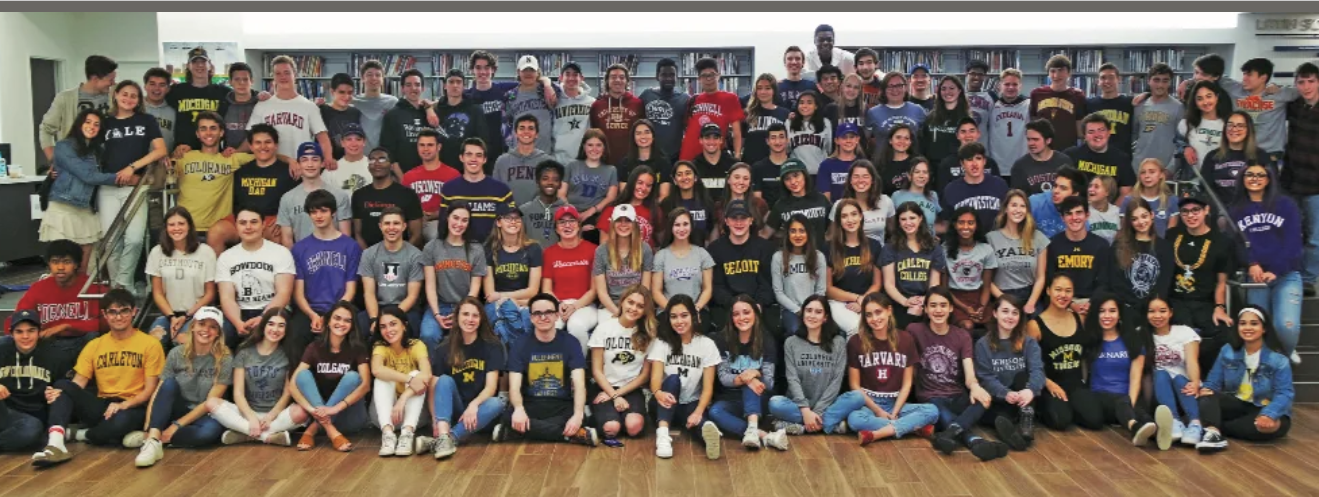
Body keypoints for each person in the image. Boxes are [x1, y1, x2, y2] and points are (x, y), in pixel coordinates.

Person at [33, 290, 164, 466]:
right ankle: (55, 445)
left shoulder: (150, 344)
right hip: (102, 406)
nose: (118, 317)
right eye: (113, 312)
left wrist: (124, 405)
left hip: (133, 406)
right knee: (62, 385)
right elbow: (78, 383)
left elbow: (150, 389)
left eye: (124, 311)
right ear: (104, 314)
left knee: (121, 422)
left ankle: (81, 435)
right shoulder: (95, 345)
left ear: (134, 311)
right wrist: (59, 392)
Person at [131, 307, 231, 467]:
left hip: (203, 413)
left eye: (213, 327)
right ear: (193, 326)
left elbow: (210, 402)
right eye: (202, 324)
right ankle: (153, 440)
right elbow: (160, 392)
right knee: (169, 383)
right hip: (177, 408)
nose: (206, 330)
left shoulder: (225, 358)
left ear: (218, 333)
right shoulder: (176, 353)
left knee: (208, 433)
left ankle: (161, 439)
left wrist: (175, 426)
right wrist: (148, 427)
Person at [916, 287, 1008, 461]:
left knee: (982, 398)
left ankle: (949, 434)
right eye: (933, 305)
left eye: (943, 305)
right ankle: (974, 440)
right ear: (925, 309)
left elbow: (969, 371)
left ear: (951, 308)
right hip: (931, 397)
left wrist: (975, 387)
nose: (938, 310)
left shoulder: (961, 335)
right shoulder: (915, 331)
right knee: (938, 410)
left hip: (957, 395)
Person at [837, 293, 940, 446]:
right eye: (869, 315)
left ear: (889, 310)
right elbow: (854, 385)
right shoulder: (856, 341)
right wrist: (878, 411)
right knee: (855, 419)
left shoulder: (905, 339)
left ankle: (879, 433)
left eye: (878, 312)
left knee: (932, 411)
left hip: (895, 403)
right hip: (868, 404)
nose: (874, 318)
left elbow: (907, 383)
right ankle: (913, 428)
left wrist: (895, 411)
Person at [498, 293, 598, 447]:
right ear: (531, 318)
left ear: (557, 315)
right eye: (537, 313)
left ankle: (517, 431)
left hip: (561, 405)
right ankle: (571, 435)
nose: (543, 317)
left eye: (548, 312)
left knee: (580, 415)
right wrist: (518, 408)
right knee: (509, 415)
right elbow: (514, 386)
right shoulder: (520, 344)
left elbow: (579, 384)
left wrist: (578, 415)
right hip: (530, 404)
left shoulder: (570, 342)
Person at [41, 110, 136, 265]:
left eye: (96, 124)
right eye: (88, 122)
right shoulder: (64, 146)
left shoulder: (98, 150)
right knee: (62, 262)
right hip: (63, 206)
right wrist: (121, 178)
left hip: (86, 209)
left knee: (84, 266)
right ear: (79, 124)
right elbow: (88, 176)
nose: (92, 127)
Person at [1195, 305, 1294, 451]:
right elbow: (1212, 382)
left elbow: (1284, 393)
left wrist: (1269, 415)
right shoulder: (1227, 351)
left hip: (1264, 407)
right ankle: (1213, 435)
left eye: (1254, 324)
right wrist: (1206, 390)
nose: (1247, 328)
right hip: (1237, 404)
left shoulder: (1278, 360)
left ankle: (1209, 427)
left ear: (1264, 328)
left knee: (1266, 428)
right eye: (1243, 323)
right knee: (1206, 397)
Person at [206, 309, 308, 447]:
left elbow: (287, 393)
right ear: (263, 325)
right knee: (211, 403)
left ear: (286, 330)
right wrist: (251, 418)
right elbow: (238, 393)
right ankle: (267, 437)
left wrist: (271, 416)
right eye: (271, 324)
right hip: (247, 413)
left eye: (281, 325)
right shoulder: (244, 352)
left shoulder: (289, 354)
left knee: (301, 412)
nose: (275, 329)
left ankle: (245, 434)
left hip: (276, 415)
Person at [100, 80, 167, 292]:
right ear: (115, 95)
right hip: (108, 188)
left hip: (136, 186)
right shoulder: (105, 122)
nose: (128, 99)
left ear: (139, 100)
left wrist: (132, 168)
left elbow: (160, 150)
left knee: (136, 238)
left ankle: (124, 284)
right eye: (125, 94)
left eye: (134, 96)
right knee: (111, 242)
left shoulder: (146, 120)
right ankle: (118, 291)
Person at [1232, 163, 1303, 360]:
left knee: (1286, 326)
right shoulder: (1236, 210)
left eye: (1260, 175)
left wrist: (1277, 270)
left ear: (1269, 179)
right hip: (1255, 278)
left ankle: (1284, 353)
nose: (1254, 178)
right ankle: (1268, 361)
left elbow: (1294, 243)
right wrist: (1251, 263)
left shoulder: (1286, 205)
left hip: (1286, 275)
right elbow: (1235, 243)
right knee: (1258, 326)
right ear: (1242, 179)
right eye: (1249, 174)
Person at [423, 300, 506, 459]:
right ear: (457, 317)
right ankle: (444, 435)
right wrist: (435, 421)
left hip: (479, 410)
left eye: (475, 315)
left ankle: (447, 438)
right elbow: (434, 386)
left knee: (497, 403)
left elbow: (491, 387)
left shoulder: (492, 345)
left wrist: (474, 405)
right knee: (444, 380)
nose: (470, 319)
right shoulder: (444, 348)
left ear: (481, 319)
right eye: (465, 314)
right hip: (454, 410)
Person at [1083, 294, 1169, 448]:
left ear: (1120, 314)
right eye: (1102, 311)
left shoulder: (1132, 340)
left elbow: (1136, 378)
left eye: (1112, 311)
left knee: (1133, 407)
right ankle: (1136, 427)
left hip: (1128, 395)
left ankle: (1155, 431)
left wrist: (1131, 402)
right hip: (1100, 397)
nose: (1107, 316)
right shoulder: (1090, 339)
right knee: (1122, 402)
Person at [5, 240, 105, 370]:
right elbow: (15, 320)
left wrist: (67, 325)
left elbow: (106, 323)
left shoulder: (92, 287)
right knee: (7, 341)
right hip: (49, 344)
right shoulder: (39, 288)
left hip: (82, 343)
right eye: (55, 262)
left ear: (76, 264)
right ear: (49, 264)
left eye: (67, 262)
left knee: (94, 337)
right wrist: (31, 334)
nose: (60, 267)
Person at [709, 295, 789, 451]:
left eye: (746, 312)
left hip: (759, 400)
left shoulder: (766, 340)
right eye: (736, 314)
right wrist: (746, 377)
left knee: (751, 384)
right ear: (731, 317)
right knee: (715, 412)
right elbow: (724, 378)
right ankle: (763, 435)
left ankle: (752, 428)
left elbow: (769, 382)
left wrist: (754, 373)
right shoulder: (721, 339)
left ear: (755, 314)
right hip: (731, 399)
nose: (741, 318)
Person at [649, 295, 724, 459]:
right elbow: (655, 380)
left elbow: (708, 388)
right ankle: (663, 436)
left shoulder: (706, 344)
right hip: (662, 402)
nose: (679, 321)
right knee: (673, 379)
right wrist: (658, 393)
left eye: (684, 315)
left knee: (697, 421)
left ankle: (709, 435)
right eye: (673, 317)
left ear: (694, 316)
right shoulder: (662, 343)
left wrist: (698, 412)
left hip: (690, 403)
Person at [290, 302, 372, 451]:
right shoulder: (314, 347)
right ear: (327, 321)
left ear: (352, 325)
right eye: (337, 318)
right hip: (319, 413)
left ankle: (311, 431)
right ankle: (331, 431)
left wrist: (334, 409)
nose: (341, 323)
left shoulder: (358, 348)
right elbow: (293, 384)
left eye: (347, 320)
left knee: (353, 377)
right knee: (302, 375)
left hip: (348, 416)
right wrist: (312, 410)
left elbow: (366, 385)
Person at [289, 190, 363, 353]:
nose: (318, 216)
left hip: (341, 307)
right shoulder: (299, 248)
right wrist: (313, 315)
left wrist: (331, 316)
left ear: (333, 212)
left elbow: (351, 290)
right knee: (295, 334)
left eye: (323, 211)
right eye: (314, 212)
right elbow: (298, 294)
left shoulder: (350, 246)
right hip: (310, 310)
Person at [215, 207, 297, 352]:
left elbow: (283, 293)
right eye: (243, 223)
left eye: (254, 222)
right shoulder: (226, 257)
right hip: (240, 311)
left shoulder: (280, 253)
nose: (248, 227)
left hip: (273, 309)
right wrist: (238, 323)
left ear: (263, 224)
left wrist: (263, 318)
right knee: (221, 335)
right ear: (236, 226)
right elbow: (227, 298)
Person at [1166, 193, 1234, 367]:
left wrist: (1219, 307)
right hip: (1175, 301)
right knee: (1184, 332)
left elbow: (1221, 282)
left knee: (1225, 334)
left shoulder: (1221, 241)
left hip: (1204, 302)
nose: (1190, 215)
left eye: (1196, 210)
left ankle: (1208, 376)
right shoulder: (1172, 236)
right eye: (1185, 211)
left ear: (1206, 210)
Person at [206, 123, 294, 255]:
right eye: (258, 143)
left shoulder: (289, 171)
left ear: (276, 145)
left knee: (279, 235)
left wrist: (282, 219)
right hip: (242, 219)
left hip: (270, 220)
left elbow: (295, 202)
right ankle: (222, 268)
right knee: (215, 232)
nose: (263, 147)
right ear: (251, 146)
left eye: (268, 142)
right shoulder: (241, 170)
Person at [768, 295, 849, 436]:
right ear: (803, 313)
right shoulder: (791, 342)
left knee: (857, 397)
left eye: (818, 312)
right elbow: (792, 379)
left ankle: (801, 425)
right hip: (798, 405)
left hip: (827, 405)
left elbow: (836, 381)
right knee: (775, 403)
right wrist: (805, 410)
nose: (812, 315)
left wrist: (817, 412)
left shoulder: (838, 342)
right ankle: (828, 424)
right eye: (809, 310)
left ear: (825, 317)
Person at [586, 285, 655, 446]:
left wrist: (618, 395)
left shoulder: (648, 334)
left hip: (630, 388)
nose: (634, 308)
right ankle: (598, 416)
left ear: (645, 311)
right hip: (604, 387)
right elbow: (596, 370)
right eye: (630, 302)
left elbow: (644, 375)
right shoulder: (604, 328)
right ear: (622, 302)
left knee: (634, 427)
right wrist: (613, 395)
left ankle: (620, 416)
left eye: (640, 306)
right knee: (611, 428)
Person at [973, 296, 1043, 450]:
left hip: (1023, 397)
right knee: (994, 415)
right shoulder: (983, 344)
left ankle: (1025, 423)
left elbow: (1037, 371)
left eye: (1015, 312)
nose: (1010, 317)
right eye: (1005, 311)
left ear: (1020, 316)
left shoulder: (1029, 342)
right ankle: (1014, 435)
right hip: (999, 397)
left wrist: (1031, 390)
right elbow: (985, 377)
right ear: (995, 313)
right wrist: (1005, 393)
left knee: (1023, 377)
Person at [1027, 275, 1095, 431]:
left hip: (1075, 384)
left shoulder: (1080, 319)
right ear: (1048, 291)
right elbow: (1028, 362)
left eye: (1068, 291)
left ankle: (1072, 406)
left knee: (1094, 419)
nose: (1063, 295)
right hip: (1049, 384)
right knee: (1061, 421)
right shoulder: (1034, 325)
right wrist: (1047, 383)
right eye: (1058, 290)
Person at [145, 207, 218, 349]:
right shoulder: (157, 252)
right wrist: (171, 317)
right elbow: (157, 293)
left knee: (182, 342)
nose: (176, 228)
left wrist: (187, 315)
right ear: (166, 228)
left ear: (189, 226)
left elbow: (210, 293)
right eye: (171, 225)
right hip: (168, 315)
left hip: (197, 315)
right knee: (153, 343)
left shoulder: (205, 252)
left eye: (181, 224)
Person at [174, 112, 255, 238]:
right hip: (185, 228)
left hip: (219, 231)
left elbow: (266, 156)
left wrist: (289, 160)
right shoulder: (184, 157)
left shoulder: (231, 158)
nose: (208, 133)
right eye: (203, 129)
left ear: (221, 132)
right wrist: (173, 154)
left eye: (213, 128)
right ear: (197, 134)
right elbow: (163, 175)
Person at [421, 201, 487, 349]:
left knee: (468, 337)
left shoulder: (476, 249)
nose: (459, 224)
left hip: (467, 305)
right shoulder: (432, 247)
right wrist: (437, 314)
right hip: (439, 305)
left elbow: (474, 289)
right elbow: (430, 286)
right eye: (455, 218)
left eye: (464, 220)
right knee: (428, 335)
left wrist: (461, 311)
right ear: (447, 218)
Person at [368, 303, 431, 457]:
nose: (388, 330)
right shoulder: (380, 346)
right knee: (382, 378)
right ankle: (388, 436)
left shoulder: (416, 345)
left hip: (413, 414)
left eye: (393, 324)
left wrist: (403, 398)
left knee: (418, 374)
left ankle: (406, 435)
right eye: (383, 327)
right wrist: (409, 379)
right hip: (385, 416)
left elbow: (426, 375)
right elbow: (376, 370)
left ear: (404, 325)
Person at [0, 311, 67, 454]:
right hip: (5, 411)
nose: (25, 336)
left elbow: (66, 384)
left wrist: (58, 391)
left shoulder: (55, 354)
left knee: (32, 429)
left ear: (39, 332)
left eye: (31, 331)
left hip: (34, 417)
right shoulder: (2, 347)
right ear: (11, 334)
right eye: (19, 332)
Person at [247, 56, 332, 167]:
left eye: (287, 72)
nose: (283, 77)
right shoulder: (262, 106)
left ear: (295, 74)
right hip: (270, 167)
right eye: (278, 73)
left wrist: (328, 159)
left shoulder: (309, 107)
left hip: (301, 167)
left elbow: (323, 138)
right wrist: (236, 152)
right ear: (273, 77)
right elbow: (251, 138)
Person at [709, 200, 777, 332]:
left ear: (751, 220)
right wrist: (734, 305)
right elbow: (717, 286)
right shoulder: (714, 249)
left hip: (758, 306)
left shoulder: (765, 248)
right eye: (734, 218)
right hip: (727, 307)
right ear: (726, 221)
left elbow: (767, 284)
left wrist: (758, 304)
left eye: (743, 218)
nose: (739, 223)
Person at [1145, 296, 1204, 448]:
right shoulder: (1143, 334)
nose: (1157, 316)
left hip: (1183, 385)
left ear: (1170, 312)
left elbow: (1192, 361)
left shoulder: (1184, 332)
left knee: (1178, 378)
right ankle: (1173, 422)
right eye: (1151, 311)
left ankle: (1195, 424)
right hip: (1160, 389)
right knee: (1161, 374)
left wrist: (1195, 382)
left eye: (1162, 311)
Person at [358, 207, 426, 335]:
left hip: (405, 308)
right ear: (380, 226)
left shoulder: (415, 255)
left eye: (396, 223)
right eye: (387, 223)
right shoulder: (368, 254)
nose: (391, 228)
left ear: (404, 226)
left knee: (411, 326)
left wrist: (390, 319)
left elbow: (412, 296)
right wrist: (374, 319)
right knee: (360, 326)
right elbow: (369, 293)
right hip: (378, 307)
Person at [39, 55, 117, 164]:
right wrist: (53, 159)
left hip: (108, 161)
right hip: (76, 163)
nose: (113, 83)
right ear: (95, 79)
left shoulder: (115, 97)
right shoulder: (65, 98)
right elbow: (46, 129)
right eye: (110, 80)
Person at [881, 202, 946, 330]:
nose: (908, 223)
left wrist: (925, 299)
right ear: (898, 222)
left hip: (926, 299)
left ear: (920, 218)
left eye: (912, 218)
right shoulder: (890, 248)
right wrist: (905, 301)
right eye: (903, 219)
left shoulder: (934, 247)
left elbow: (934, 283)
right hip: (898, 300)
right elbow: (889, 284)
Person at [483, 203, 541, 345]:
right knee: (504, 319)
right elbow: (490, 295)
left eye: (517, 218)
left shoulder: (533, 248)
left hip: (525, 302)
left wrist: (505, 298)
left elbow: (533, 291)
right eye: (508, 218)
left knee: (518, 318)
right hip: (497, 305)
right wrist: (507, 302)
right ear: (498, 222)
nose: (513, 222)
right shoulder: (489, 250)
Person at [1284, 63, 1319, 297]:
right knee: (1290, 232)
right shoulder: (1294, 106)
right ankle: (1291, 274)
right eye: (1301, 82)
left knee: (1315, 237)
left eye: (1311, 81)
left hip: (1316, 184)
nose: (1306, 87)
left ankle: (1308, 278)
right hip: (1292, 180)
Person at [277, 142, 352, 247]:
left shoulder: (339, 195)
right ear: (298, 164)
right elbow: (287, 239)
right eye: (304, 160)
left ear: (322, 163)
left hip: (334, 254)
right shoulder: (287, 198)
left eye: (315, 159)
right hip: (301, 255)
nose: (310, 164)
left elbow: (345, 237)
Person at [440, 138, 516, 242]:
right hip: (459, 248)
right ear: (461, 157)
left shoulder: (502, 191)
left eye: (479, 155)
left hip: (493, 248)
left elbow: (511, 225)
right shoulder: (449, 189)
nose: (473, 159)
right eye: (469, 154)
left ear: (485, 159)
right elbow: (443, 226)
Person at [1045, 196, 1111, 315]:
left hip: (1093, 301)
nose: (1074, 218)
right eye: (1069, 214)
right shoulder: (1052, 245)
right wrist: (1070, 304)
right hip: (1061, 301)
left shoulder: (1101, 245)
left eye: (1079, 213)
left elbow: (1104, 282)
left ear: (1087, 215)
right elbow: (1049, 281)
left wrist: (1092, 303)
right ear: (1062, 218)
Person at [1107, 197, 1174, 313]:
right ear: (1129, 222)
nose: (1141, 222)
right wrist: (1133, 304)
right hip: (1126, 308)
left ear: (1152, 215)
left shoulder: (1165, 247)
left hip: (1154, 310)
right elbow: (1115, 281)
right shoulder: (1118, 246)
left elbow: (1164, 283)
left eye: (1144, 216)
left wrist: (1150, 305)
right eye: (1135, 219)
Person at [826, 200, 882, 334]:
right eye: (844, 216)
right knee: (856, 327)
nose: (850, 220)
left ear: (861, 216)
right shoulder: (829, 248)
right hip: (839, 302)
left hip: (868, 299)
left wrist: (863, 300)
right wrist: (856, 298)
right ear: (839, 220)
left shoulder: (874, 245)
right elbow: (828, 289)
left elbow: (877, 283)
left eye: (854, 214)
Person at [592, 205, 654, 326]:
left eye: (628, 221)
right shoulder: (601, 251)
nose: (623, 224)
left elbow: (645, 288)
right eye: (619, 220)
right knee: (610, 330)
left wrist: (633, 310)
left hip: (637, 305)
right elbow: (602, 292)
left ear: (634, 224)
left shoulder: (645, 249)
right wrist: (619, 313)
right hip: (610, 306)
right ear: (612, 224)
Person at [989, 190, 1049, 314]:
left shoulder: (1038, 237)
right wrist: (1004, 300)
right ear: (1006, 209)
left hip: (1030, 296)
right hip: (1002, 295)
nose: (1018, 210)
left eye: (1023, 206)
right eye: (1014, 205)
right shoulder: (991, 238)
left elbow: (1040, 277)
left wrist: (1031, 303)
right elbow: (986, 280)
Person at [353, 147, 425, 249]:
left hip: (401, 253)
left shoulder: (407, 194)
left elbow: (416, 235)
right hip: (368, 254)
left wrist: (401, 254)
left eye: (382, 159)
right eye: (372, 160)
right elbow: (358, 234)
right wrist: (367, 255)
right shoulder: (359, 195)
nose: (377, 163)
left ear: (391, 166)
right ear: (368, 166)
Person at [166, 48, 230, 155]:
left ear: (210, 65)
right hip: (182, 152)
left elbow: (245, 97)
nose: (199, 65)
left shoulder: (223, 92)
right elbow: (155, 99)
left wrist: (258, 95)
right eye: (195, 62)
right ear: (188, 66)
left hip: (213, 152)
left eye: (203, 62)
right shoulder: (176, 91)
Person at [680, 58, 745, 162]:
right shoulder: (693, 100)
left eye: (712, 75)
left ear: (718, 76)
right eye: (704, 76)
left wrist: (737, 155)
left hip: (713, 157)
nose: (708, 79)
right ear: (699, 79)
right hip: (688, 156)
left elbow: (737, 132)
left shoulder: (730, 98)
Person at [772, 215, 827, 338]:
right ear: (787, 234)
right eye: (793, 231)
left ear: (808, 233)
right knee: (797, 330)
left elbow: (821, 290)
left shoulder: (818, 257)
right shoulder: (778, 257)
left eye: (802, 231)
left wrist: (811, 310)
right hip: (790, 310)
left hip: (814, 308)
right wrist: (799, 311)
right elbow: (778, 293)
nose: (797, 235)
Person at [651, 208, 715, 313]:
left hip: (697, 311)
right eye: (677, 225)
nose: (681, 229)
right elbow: (656, 292)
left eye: (685, 224)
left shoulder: (702, 254)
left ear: (691, 226)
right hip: (668, 311)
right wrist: (673, 311)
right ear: (671, 227)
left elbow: (707, 289)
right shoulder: (661, 256)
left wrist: (696, 309)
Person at [403, 130, 462, 242]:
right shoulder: (408, 176)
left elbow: (458, 205)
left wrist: (437, 214)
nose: (425, 149)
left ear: (438, 147)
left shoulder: (453, 175)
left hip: (440, 221)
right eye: (422, 145)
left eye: (430, 145)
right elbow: (403, 205)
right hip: (413, 222)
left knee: (435, 232)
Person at [946, 206, 998, 331]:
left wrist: (982, 307)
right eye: (961, 222)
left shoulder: (986, 250)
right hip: (955, 299)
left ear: (976, 225)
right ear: (954, 225)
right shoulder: (945, 249)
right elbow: (944, 289)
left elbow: (987, 286)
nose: (966, 227)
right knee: (967, 325)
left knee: (995, 325)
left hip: (979, 297)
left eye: (970, 223)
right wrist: (965, 308)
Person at [565, 129, 620, 240]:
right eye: (590, 145)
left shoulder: (611, 170)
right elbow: (561, 193)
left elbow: (611, 197)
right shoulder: (571, 166)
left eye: (598, 145)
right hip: (569, 212)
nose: (594, 149)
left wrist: (591, 211)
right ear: (584, 147)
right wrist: (571, 211)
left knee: (590, 232)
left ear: (604, 148)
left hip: (594, 215)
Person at [1202, 111, 1267, 205]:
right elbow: (1206, 190)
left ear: (1249, 130)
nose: (1234, 129)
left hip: (1253, 210)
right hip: (1221, 210)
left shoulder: (1260, 156)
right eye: (1230, 125)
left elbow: (1271, 188)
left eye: (1240, 125)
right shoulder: (1212, 156)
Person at [1064, 113, 1135, 199]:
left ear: (1109, 133)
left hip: (1110, 206)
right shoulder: (1070, 155)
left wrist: (1111, 208)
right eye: (1091, 132)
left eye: (1101, 130)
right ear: (1085, 136)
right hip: (1077, 206)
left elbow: (1126, 193)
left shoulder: (1122, 159)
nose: (1097, 135)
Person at [941, 142, 1009, 231]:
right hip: (965, 238)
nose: (974, 164)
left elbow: (1008, 216)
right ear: (962, 163)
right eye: (969, 159)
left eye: (978, 158)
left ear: (984, 161)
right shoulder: (951, 190)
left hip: (996, 237)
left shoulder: (1000, 184)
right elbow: (946, 224)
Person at [764, 159, 831, 244]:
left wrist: (827, 242)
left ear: (805, 175)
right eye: (787, 179)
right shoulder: (780, 205)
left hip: (819, 250)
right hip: (792, 251)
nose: (793, 182)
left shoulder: (821, 199)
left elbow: (834, 226)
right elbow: (766, 234)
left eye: (796, 175)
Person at [432, 68, 489, 169]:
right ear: (445, 85)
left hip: (468, 166)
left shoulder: (475, 110)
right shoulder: (436, 110)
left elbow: (482, 140)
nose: (455, 85)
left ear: (464, 86)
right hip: (442, 165)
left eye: (458, 82)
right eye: (451, 82)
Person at [1131, 63, 1184, 170]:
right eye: (1156, 80)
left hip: (1164, 168)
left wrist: (1171, 169)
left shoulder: (1178, 108)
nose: (1160, 85)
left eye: (1165, 81)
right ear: (1148, 81)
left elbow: (1181, 143)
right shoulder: (1139, 105)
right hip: (1139, 167)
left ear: (1170, 82)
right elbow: (1133, 135)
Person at [1029, 55, 1086, 150]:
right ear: (1048, 74)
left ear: (1069, 73)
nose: (1056, 75)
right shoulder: (1036, 94)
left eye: (1061, 70)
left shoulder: (1078, 95)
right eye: (1052, 71)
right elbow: (1033, 124)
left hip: (1068, 150)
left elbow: (1080, 130)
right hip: (1042, 150)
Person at [590, 63, 644, 166]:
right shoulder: (596, 105)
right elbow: (593, 135)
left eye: (622, 77)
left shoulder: (638, 104)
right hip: (604, 161)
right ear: (607, 81)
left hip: (631, 161)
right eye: (613, 77)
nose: (618, 80)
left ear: (627, 81)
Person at [495, 115, 553, 206]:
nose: (526, 132)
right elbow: (496, 193)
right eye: (522, 128)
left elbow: (551, 194)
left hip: (537, 212)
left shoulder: (548, 162)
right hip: (509, 212)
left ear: (536, 134)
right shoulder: (502, 161)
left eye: (531, 128)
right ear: (515, 133)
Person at [639, 58, 690, 162]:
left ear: (676, 77)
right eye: (664, 75)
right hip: (650, 155)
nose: (668, 78)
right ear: (657, 76)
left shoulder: (684, 99)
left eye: (672, 75)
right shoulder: (646, 95)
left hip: (675, 156)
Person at [380, 69, 431, 172]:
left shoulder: (429, 114)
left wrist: (430, 109)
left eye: (417, 85)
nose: (413, 88)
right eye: (408, 85)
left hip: (428, 173)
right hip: (402, 174)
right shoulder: (392, 115)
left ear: (422, 88)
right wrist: (401, 178)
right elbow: (389, 151)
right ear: (402, 88)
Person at [830, 160, 893, 243]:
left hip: (879, 250)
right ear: (850, 180)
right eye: (856, 176)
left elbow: (893, 232)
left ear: (873, 180)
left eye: (865, 176)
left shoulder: (886, 201)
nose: (860, 180)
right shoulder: (839, 205)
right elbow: (832, 236)